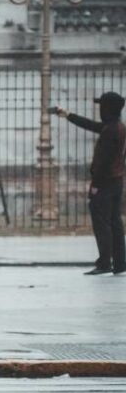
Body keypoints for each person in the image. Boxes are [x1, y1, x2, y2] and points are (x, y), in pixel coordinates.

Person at [56, 92, 125, 275]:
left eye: (102, 105)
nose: (99, 109)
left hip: (105, 183)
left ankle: (104, 263)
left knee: (102, 224)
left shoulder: (110, 131)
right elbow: (91, 125)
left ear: (108, 108)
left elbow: (103, 161)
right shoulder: (117, 127)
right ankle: (120, 262)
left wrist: (95, 184)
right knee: (115, 223)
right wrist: (67, 115)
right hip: (117, 182)